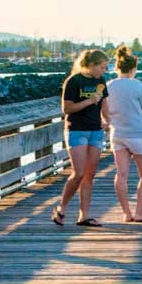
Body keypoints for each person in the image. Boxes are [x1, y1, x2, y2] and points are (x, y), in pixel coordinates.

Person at [54, 49, 110, 227]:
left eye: (106, 67)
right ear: (91, 65)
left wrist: (108, 121)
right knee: (78, 173)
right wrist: (89, 101)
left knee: (89, 174)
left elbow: (104, 106)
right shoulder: (74, 81)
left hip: (95, 130)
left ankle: (84, 215)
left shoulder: (101, 81)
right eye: (102, 67)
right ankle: (61, 208)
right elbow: (66, 108)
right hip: (76, 130)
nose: (104, 71)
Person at [104, 46, 142, 223]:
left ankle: (126, 213)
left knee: (121, 175)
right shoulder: (137, 85)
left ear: (117, 67)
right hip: (137, 134)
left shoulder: (108, 86)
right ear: (134, 68)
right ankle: (140, 212)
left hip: (117, 134)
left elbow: (103, 109)